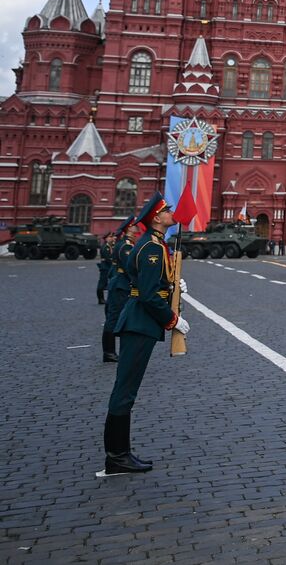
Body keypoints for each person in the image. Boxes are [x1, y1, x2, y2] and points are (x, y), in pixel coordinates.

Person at [103, 194, 189, 475]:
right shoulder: (151, 248)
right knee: (125, 390)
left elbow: (144, 280)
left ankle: (119, 453)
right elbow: (149, 295)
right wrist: (172, 320)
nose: (172, 213)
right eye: (168, 211)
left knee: (126, 389)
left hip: (139, 322)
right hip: (140, 323)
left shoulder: (155, 244)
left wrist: (173, 284)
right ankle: (117, 456)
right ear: (156, 218)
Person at [101, 217, 138, 363]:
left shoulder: (124, 244)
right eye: (134, 226)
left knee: (119, 317)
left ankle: (114, 351)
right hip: (120, 286)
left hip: (119, 284)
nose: (137, 228)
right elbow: (129, 268)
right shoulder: (125, 247)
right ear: (129, 228)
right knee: (113, 318)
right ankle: (109, 352)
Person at [96, 231, 113, 305]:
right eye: (110, 237)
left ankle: (102, 298)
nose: (111, 239)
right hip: (105, 267)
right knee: (102, 283)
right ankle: (100, 299)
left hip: (107, 266)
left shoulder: (109, 246)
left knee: (105, 283)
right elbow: (108, 258)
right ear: (106, 238)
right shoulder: (105, 247)